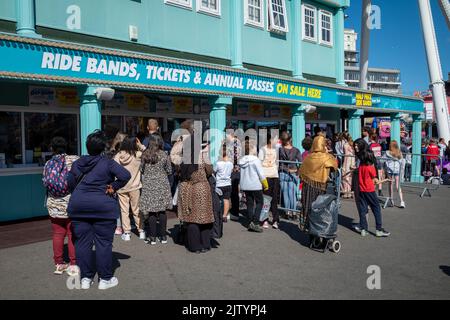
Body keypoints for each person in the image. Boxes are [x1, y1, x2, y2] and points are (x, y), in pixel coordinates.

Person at [67, 130, 131, 290]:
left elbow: (70, 183)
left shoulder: (78, 163)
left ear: (87, 147)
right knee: (103, 243)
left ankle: (85, 279)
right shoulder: (108, 162)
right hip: (103, 207)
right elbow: (125, 175)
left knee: (82, 243)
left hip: (79, 206)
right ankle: (105, 279)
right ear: (103, 147)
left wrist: (82, 194)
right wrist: (113, 187)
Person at [43, 137, 79, 276]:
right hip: (70, 203)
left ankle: (58, 264)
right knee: (72, 234)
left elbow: (45, 182)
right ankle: (73, 264)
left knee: (58, 234)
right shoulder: (74, 160)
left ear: (52, 148)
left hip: (53, 204)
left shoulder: (48, 163)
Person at [178, 134, 215, 253]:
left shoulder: (183, 158)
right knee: (205, 218)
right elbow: (210, 171)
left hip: (187, 189)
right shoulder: (203, 156)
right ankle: (205, 244)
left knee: (191, 218)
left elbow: (177, 172)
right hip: (201, 189)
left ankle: (195, 246)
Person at [299, 135, 338, 232]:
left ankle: (309, 228)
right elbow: (335, 168)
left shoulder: (308, 157)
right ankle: (321, 230)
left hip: (308, 188)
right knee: (320, 209)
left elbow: (301, 172)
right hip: (321, 188)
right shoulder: (328, 157)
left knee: (309, 207)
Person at [353, 138, 390, 237]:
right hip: (369, 190)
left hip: (361, 190)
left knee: (363, 209)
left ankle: (363, 229)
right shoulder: (370, 168)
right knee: (376, 208)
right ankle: (379, 229)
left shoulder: (361, 167)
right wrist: (385, 179)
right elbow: (375, 181)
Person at [140, 134, 173, 245]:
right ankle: (163, 236)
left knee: (151, 212)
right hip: (162, 184)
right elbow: (169, 170)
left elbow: (142, 169)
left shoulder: (145, 155)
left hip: (149, 184)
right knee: (162, 210)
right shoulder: (164, 155)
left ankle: (152, 237)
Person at [114, 136, 146, 242]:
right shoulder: (138, 155)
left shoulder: (118, 155)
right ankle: (141, 231)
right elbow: (146, 151)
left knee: (124, 210)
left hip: (122, 186)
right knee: (136, 209)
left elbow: (113, 169)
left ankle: (127, 233)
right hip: (135, 186)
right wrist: (140, 145)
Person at [239, 140, 269, 233]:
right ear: (252, 149)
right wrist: (265, 184)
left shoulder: (242, 160)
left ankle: (250, 221)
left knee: (250, 203)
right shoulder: (256, 160)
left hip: (246, 185)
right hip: (255, 185)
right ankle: (255, 222)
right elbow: (261, 174)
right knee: (260, 202)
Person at [279, 132, 302, 220]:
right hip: (293, 172)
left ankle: (287, 212)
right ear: (290, 139)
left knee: (285, 194)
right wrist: (296, 170)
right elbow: (300, 162)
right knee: (292, 194)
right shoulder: (296, 150)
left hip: (283, 172)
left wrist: (286, 169)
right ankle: (294, 212)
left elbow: (279, 163)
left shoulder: (280, 150)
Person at [258, 134, 280, 229]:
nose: (277, 140)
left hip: (274, 176)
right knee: (266, 199)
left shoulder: (276, 150)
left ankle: (275, 220)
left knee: (274, 199)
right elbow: (259, 163)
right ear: (270, 140)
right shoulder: (262, 149)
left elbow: (277, 162)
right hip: (266, 177)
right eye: (275, 138)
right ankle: (264, 219)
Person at [108, 132, 127, 236]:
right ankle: (121, 226)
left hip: (113, 180)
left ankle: (118, 226)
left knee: (117, 205)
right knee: (121, 206)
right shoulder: (124, 152)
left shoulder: (111, 152)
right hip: (121, 180)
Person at [226, 129, 242, 222]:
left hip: (234, 170)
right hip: (233, 169)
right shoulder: (234, 142)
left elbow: (236, 156)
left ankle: (234, 213)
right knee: (233, 191)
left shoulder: (234, 143)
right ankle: (233, 212)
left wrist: (233, 167)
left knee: (234, 192)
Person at [214, 144, 233, 223]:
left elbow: (214, 171)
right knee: (226, 200)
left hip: (219, 184)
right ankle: (224, 216)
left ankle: (217, 215)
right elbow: (231, 172)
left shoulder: (218, 163)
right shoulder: (230, 163)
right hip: (228, 184)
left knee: (217, 201)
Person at [385, 141, 406, 208]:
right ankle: (402, 201)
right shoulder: (399, 152)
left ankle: (391, 201)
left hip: (389, 170)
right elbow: (401, 161)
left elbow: (382, 160)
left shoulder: (387, 152)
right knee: (397, 185)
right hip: (397, 170)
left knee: (390, 185)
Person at [341, 132, 355, 199]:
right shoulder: (353, 145)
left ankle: (346, 192)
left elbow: (344, 153)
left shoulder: (345, 145)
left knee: (345, 176)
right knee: (350, 177)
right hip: (352, 161)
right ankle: (349, 192)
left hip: (347, 161)